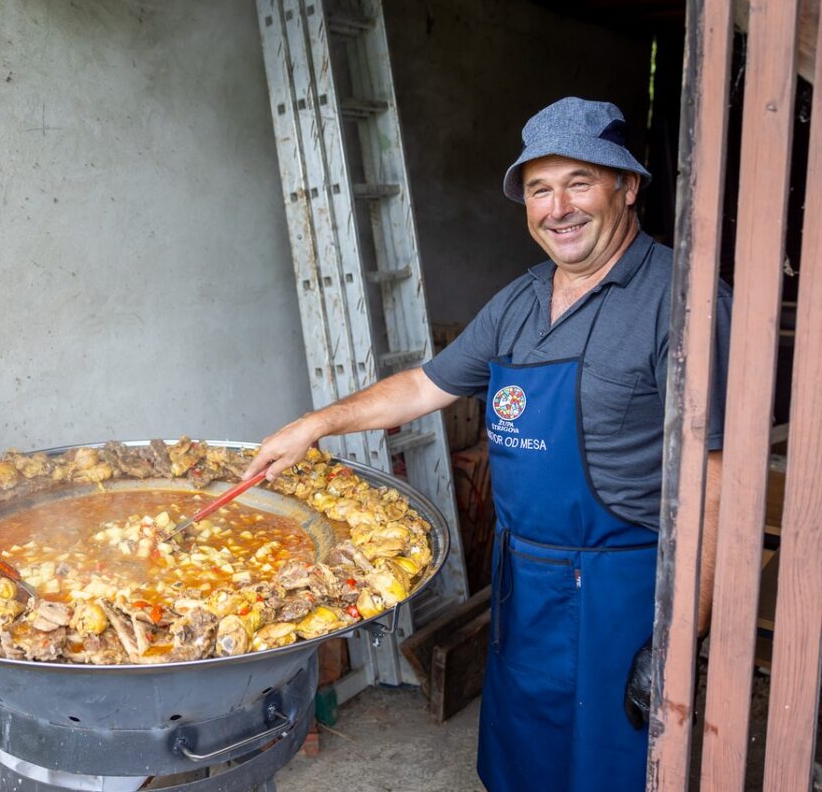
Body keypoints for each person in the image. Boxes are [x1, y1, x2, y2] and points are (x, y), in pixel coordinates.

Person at [242, 97, 730, 792]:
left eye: (579, 182)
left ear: (628, 187)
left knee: (613, 771)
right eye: (539, 188)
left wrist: (681, 637)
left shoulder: (676, 301)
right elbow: (422, 386)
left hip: (621, 593)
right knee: (523, 762)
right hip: (525, 583)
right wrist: (315, 423)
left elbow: (718, 481)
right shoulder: (521, 301)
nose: (557, 206)